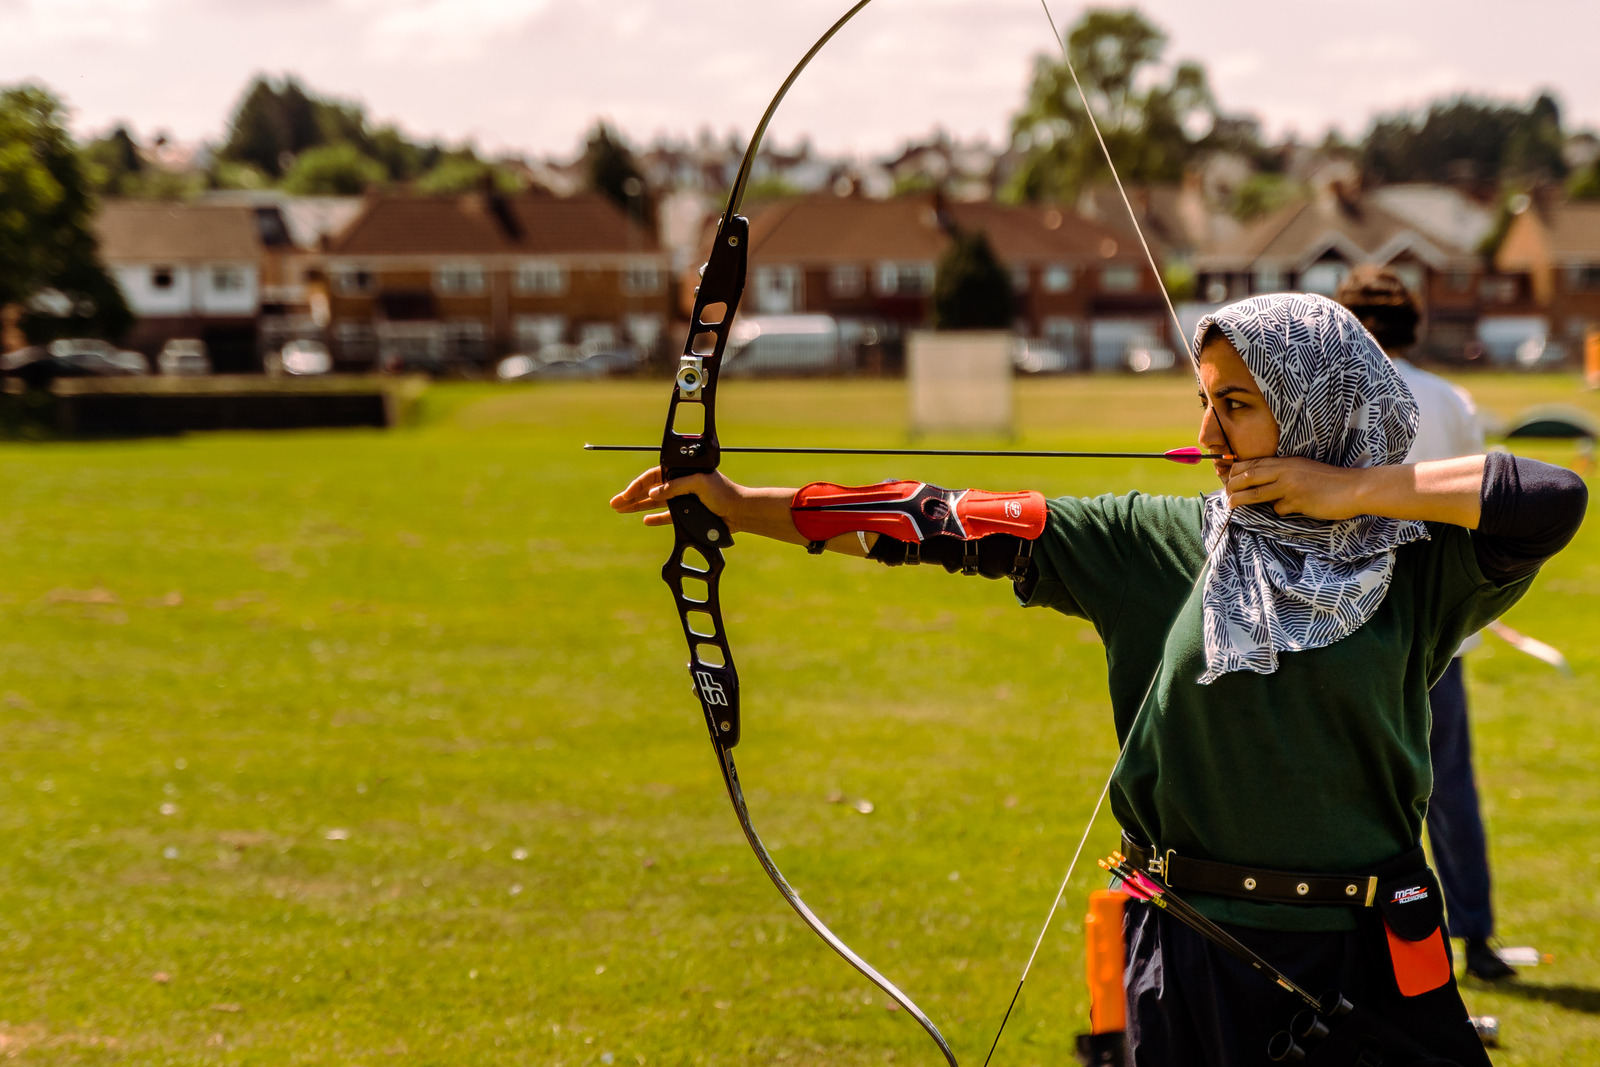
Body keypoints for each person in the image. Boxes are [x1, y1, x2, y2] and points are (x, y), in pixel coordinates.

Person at [611, 293, 1586, 1065]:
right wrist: (737, 504)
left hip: (1364, 960)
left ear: (1311, 405)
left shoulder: (1415, 563)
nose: (1206, 429)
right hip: (1194, 954)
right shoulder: (1146, 540)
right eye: (1202, 397)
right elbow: (936, 517)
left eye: (1236, 404)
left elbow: (1552, 494)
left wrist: (1347, 491)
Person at [1335, 266, 1516, 983]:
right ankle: (1474, 941)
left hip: (1352, 629)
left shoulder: (1332, 398)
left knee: (1354, 792)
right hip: (1438, 632)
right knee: (1449, 788)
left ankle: (1370, 946)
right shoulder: (1450, 399)